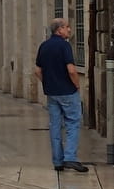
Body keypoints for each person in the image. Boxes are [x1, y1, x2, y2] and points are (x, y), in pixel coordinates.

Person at [35, 18, 88, 172]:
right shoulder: (65, 46)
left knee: (55, 125)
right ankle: (70, 158)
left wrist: (48, 83)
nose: (69, 30)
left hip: (52, 93)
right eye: (67, 27)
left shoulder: (43, 46)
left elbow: (37, 71)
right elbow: (71, 70)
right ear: (59, 30)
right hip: (67, 91)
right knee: (73, 122)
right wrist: (77, 85)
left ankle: (57, 161)